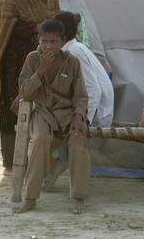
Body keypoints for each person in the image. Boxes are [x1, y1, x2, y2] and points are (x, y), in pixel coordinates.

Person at [0, 0, 60, 175]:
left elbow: (55, 16)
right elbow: (6, 23)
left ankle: (39, 157)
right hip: (16, 56)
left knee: (41, 104)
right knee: (15, 104)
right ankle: (11, 162)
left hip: (44, 55)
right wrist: (35, 28)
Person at [15, 19, 90, 214]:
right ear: (39, 41)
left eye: (54, 42)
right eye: (44, 41)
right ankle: (30, 197)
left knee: (78, 140)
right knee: (40, 140)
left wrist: (79, 116)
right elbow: (25, 93)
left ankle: (78, 196)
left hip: (67, 114)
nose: (48, 46)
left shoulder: (72, 62)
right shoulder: (32, 59)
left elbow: (81, 95)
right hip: (43, 112)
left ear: (63, 41)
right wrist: (42, 70)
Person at [54, 11, 114, 126]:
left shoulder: (74, 52)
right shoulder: (72, 49)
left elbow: (94, 90)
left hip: (95, 117)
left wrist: (83, 122)